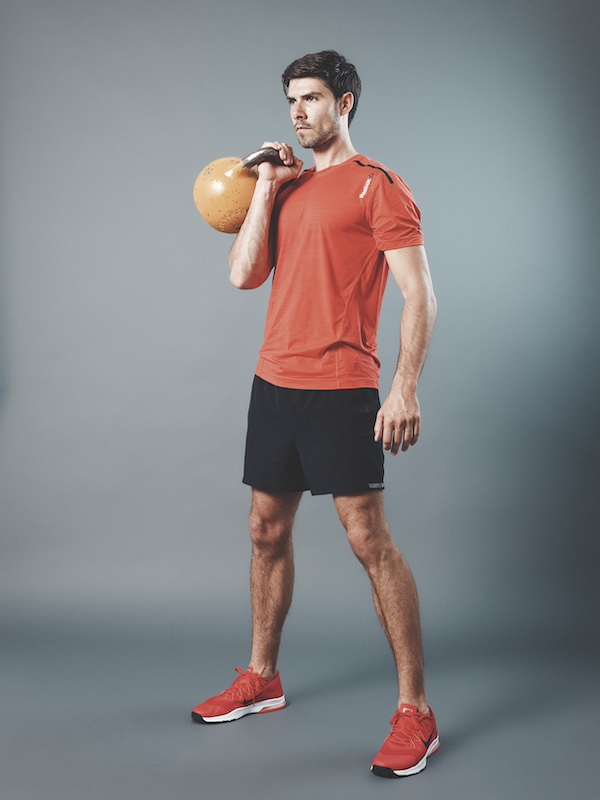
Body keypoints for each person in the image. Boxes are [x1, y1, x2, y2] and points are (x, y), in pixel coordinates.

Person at [192, 50, 439, 779]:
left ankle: (415, 712)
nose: (298, 112)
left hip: (341, 387)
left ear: (346, 102)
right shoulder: (287, 185)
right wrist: (267, 182)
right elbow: (242, 276)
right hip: (276, 383)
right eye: (291, 101)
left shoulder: (379, 189)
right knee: (265, 530)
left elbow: (420, 294)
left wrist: (405, 388)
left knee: (370, 543)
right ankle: (262, 678)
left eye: (312, 99)